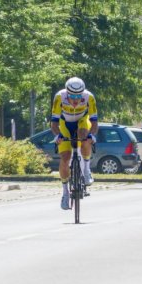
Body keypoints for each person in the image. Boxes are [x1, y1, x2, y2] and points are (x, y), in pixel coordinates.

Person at [50, 77, 98, 210]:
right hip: (64, 123)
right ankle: (65, 192)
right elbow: (54, 123)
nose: (76, 100)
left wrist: (92, 136)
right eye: (72, 96)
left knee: (84, 137)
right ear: (67, 93)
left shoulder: (89, 97)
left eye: (79, 96)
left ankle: (86, 169)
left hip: (82, 121)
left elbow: (94, 122)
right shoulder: (60, 97)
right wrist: (57, 136)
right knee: (65, 157)